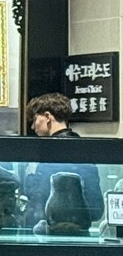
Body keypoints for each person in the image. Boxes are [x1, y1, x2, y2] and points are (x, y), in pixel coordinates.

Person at [23, 92, 103, 227]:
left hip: (51, 228)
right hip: (80, 228)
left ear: (47, 117)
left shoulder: (49, 152)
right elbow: (96, 209)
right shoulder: (85, 149)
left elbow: (39, 205)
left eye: (35, 120)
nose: (33, 127)